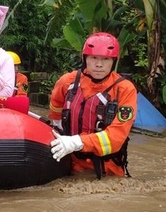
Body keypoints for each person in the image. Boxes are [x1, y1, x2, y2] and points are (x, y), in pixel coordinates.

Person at [48, 32, 137, 179]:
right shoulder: (67, 82)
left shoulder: (125, 89)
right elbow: (55, 106)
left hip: (108, 169)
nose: (99, 64)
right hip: (70, 162)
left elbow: (116, 137)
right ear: (85, 59)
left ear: (113, 61)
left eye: (105, 59)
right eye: (94, 57)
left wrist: (77, 142)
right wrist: (57, 127)